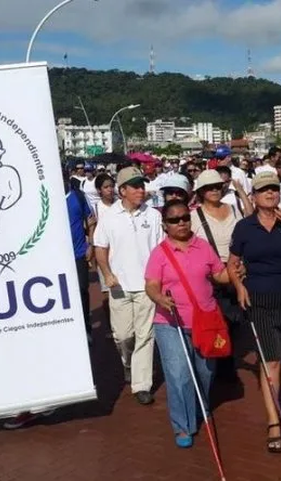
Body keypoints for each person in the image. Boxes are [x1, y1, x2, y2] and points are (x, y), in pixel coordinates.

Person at [144, 200, 231, 448]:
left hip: (206, 321)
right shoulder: (159, 253)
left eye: (184, 217)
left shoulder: (203, 247)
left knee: (205, 372)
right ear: (165, 225)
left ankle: (200, 406)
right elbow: (151, 284)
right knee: (179, 375)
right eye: (174, 220)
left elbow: (219, 275)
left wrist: (235, 271)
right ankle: (183, 425)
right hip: (170, 323)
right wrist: (160, 297)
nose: (181, 222)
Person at [227, 171, 281, 454]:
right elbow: (232, 263)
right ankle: (273, 421)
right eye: (264, 190)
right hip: (259, 301)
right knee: (272, 361)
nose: (271, 194)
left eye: (274, 189)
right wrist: (239, 287)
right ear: (253, 196)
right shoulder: (244, 227)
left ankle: (279, 403)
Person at [94, 166, 164, 405]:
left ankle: (141, 384)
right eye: (135, 186)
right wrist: (106, 273)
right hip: (119, 285)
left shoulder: (153, 215)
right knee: (123, 335)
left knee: (145, 335)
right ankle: (128, 363)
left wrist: (159, 280)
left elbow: (159, 250)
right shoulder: (109, 217)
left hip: (147, 286)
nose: (141, 190)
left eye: (142, 185)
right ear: (122, 190)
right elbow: (100, 248)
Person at [191, 170, 246, 382]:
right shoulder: (194, 217)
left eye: (217, 186)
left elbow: (243, 238)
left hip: (234, 271)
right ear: (201, 192)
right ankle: (219, 368)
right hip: (209, 275)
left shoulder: (233, 210)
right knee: (216, 321)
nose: (214, 190)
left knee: (233, 321)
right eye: (209, 188)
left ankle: (226, 364)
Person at [64, 168, 96, 343]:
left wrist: (90, 244)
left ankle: (86, 328)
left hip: (78, 252)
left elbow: (91, 221)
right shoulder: (46, 196)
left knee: (82, 290)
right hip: (58, 256)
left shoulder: (78, 196)